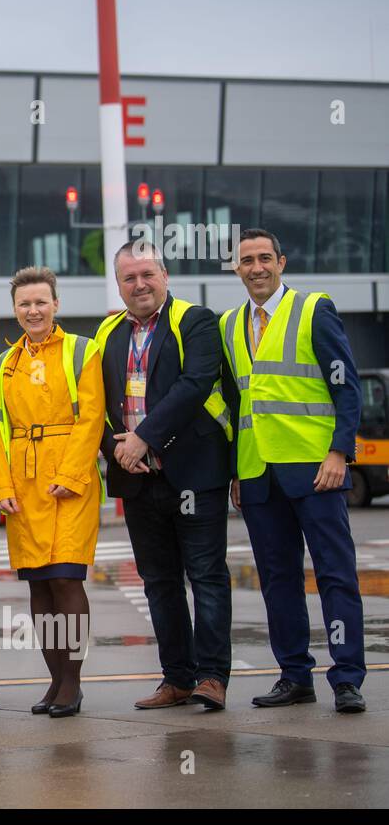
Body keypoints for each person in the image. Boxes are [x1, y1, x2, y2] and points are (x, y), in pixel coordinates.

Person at [220, 229, 366, 713]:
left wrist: (339, 453)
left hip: (315, 468)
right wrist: (237, 472)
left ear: (281, 262)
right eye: (247, 261)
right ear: (237, 269)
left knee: (334, 574)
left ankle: (346, 678)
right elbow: (240, 402)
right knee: (277, 579)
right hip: (258, 473)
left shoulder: (313, 309)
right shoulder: (229, 325)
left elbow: (346, 387)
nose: (256, 267)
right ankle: (294, 675)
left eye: (265, 258)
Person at [94, 240, 233, 711]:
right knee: (159, 581)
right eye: (129, 278)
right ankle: (176, 678)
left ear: (165, 276)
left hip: (193, 473)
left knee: (207, 577)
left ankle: (212, 677)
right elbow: (99, 400)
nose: (140, 284)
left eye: (147, 274)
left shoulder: (195, 321)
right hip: (138, 481)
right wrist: (117, 449)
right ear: (119, 285)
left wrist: (144, 438)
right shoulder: (108, 332)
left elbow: (194, 385)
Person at [0, 267, 103, 718]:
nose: (33, 310)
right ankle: (55, 678)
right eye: (24, 304)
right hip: (23, 477)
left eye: (40, 302)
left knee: (65, 576)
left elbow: (92, 417)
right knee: (38, 582)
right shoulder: (6, 362)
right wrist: (2, 486)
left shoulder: (81, 351)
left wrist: (73, 474)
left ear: (56, 304)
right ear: (15, 310)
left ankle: (72, 683)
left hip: (67, 477)